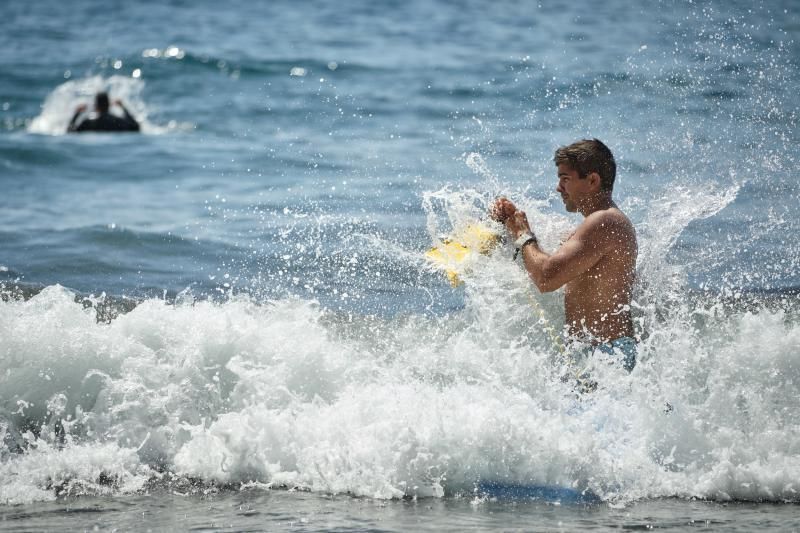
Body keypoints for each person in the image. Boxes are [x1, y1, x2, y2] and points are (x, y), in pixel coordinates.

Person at [492, 139, 638, 372]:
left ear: (592, 180)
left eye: (565, 179)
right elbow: (543, 264)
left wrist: (522, 232)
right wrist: (510, 226)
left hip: (608, 356)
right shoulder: (595, 227)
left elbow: (546, 278)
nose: (559, 188)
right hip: (593, 354)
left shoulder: (604, 222)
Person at [67, 92, 140, 133]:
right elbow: (135, 127)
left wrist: (77, 114)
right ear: (109, 105)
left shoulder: (89, 123)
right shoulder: (117, 122)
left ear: (96, 106)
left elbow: (70, 132)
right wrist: (123, 108)